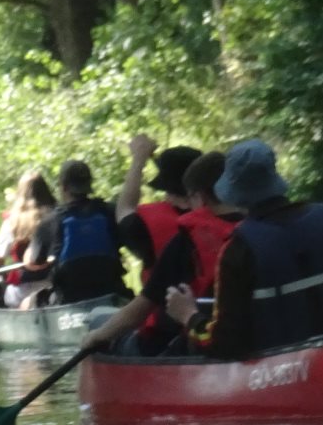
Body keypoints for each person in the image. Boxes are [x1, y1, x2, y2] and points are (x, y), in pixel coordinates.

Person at [166, 139, 323, 358]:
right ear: (275, 178)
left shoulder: (237, 250)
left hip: (287, 369)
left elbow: (226, 344)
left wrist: (189, 316)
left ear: (232, 193)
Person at [83, 151, 241, 356]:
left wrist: (96, 337)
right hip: (241, 339)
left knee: (99, 323)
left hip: (177, 342)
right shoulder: (254, 229)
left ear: (199, 197)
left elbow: (141, 308)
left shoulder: (185, 240)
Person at [22, 160, 128, 305]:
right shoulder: (110, 212)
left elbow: (34, 262)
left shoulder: (51, 221)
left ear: (63, 186)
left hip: (68, 300)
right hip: (112, 295)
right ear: (89, 184)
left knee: (27, 302)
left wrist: (29, 255)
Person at [115, 135, 201, 286]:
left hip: (163, 300)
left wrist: (139, 158)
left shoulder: (149, 222)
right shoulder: (225, 217)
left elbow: (125, 207)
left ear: (166, 188)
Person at [0, 170, 57, 271]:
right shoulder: (57, 215)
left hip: (24, 280)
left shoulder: (12, 222)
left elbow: (0, 257)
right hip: (57, 276)